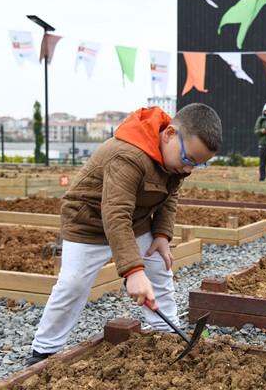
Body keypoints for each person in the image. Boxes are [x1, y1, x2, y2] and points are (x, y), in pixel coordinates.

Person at [27, 104, 222, 365]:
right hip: (88, 222)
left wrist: (162, 235)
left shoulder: (175, 162)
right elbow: (115, 214)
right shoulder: (127, 155)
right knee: (73, 285)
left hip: (135, 221)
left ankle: (166, 336)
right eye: (188, 160)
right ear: (169, 134)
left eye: (198, 165)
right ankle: (44, 350)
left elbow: (169, 196)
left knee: (158, 271)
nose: (188, 169)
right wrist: (132, 271)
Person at [253, 101, 266, 181]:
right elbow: (256, 130)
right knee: (262, 163)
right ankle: (262, 178)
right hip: (263, 144)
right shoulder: (260, 119)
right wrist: (262, 131)